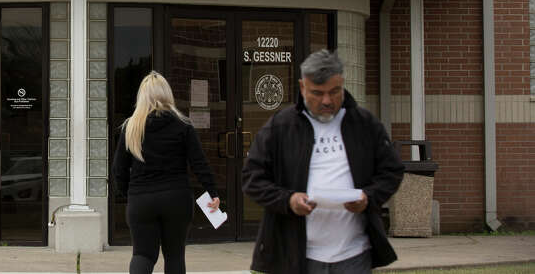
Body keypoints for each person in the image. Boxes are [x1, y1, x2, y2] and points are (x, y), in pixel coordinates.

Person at [242, 49, 404, 274]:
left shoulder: (365, 124)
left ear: (342, 84)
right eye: (317, 93)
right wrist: (288, 200)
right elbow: (252, 178)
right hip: (298, 255)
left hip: (354, 254)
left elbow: (392, 170)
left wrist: (369, 198)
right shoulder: (281, 127)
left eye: (334, 91)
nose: (327, 101)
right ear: (302, 87)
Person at [113, 70, 221, 274]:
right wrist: (212, 192)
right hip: (176, 198)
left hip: (141, 199)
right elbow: (199, 163)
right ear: (167, 94)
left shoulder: (131, 127)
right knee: (174, 255)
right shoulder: (183, 125)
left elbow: (119, 169)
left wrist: (129, 194)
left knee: (143, 255)